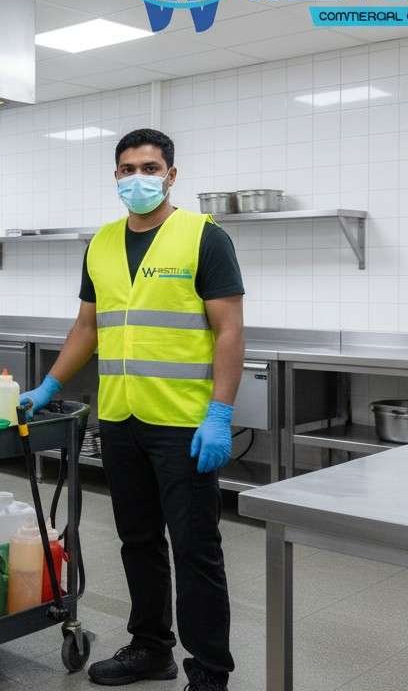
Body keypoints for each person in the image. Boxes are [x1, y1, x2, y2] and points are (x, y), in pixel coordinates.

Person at [20, 128, 244, 691]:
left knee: (195, 549)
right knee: (138, 540)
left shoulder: (203, 237)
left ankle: (210, 671)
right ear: (116, 176)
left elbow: (230, 330)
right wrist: (47, 386)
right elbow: (87, 328)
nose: (137, 177)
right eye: (126, 169)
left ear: (172, 174)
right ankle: (150, 647)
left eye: (149, 167)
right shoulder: (100, 243)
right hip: (119, 420)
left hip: (184, 424)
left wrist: (220, 413)